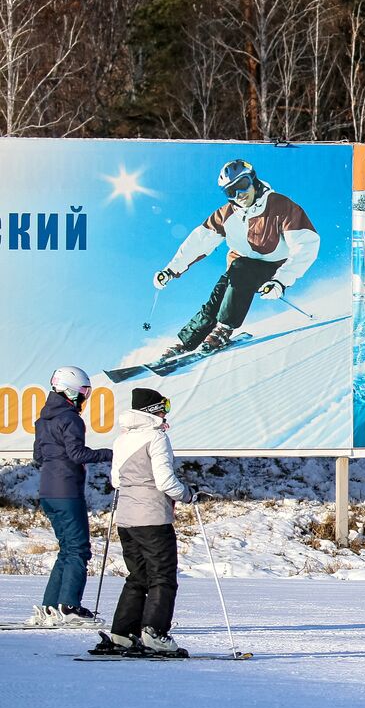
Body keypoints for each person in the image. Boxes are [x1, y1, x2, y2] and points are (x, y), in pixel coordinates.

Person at [153, 159, 320, 357]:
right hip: (239, 267)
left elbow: (306, 244)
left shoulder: (280, 205)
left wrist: (281, 281)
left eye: (242, 185)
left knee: (242, 270)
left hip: (273, 267)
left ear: (253, 180)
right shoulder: (226, 214)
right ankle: (185, 343)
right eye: (230, 192)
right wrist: (171, 269)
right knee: (218, 295)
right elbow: (199, 241)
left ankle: (223, 330)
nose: (239, 195)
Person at [90, 388, 192, 657]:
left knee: (137, 577)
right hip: (153, 519)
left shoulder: (122, 440)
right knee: (163, 577)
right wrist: (188, 494)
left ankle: (122, 634)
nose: (165, 413)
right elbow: (165, 482)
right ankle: (154, 632)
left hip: (126, 520)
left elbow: (116, 482)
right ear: (150, 411)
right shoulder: (157, 438)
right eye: (163, 407)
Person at [27, 366, 112, 627]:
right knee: (78, 549)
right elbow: (77, 455)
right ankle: (69, 606)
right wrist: (109, 453)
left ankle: (51, 607)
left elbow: (38, 456)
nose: (84, 397)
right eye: (83, 392)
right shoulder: (71, 419)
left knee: (66, 550)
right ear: (70, 391)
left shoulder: (43, 419)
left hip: (48, 492)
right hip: (67, 490)